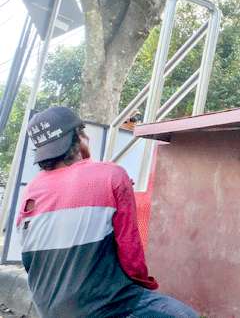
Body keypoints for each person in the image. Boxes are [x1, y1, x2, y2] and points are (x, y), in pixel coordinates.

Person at [15, 106, 198, 318]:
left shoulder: (31, 189)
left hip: (47, 306)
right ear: (80, 137)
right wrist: (145, 285)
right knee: (184, 315)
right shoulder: (111, 174)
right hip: (103, 305)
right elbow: (131, 257)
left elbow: (30, 261)